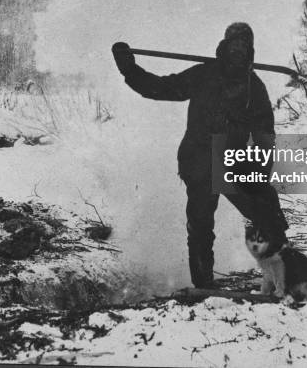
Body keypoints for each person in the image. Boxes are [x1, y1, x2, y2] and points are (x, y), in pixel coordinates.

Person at [112, 22, 289, 288]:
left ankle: (279, 277)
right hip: (198, 159)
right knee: (201, 226)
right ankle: (203, 286)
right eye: (234, 44)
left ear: (250, 51)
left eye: (244, 46)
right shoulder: (204, 75)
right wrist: (129, 69)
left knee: (266, 208)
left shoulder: (254, 88)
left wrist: (259, 175)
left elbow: (266, 137)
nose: (238, 50)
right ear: (225, 46)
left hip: (232, 162)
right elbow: (160, 88)